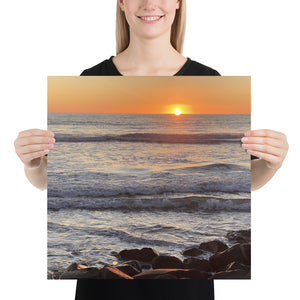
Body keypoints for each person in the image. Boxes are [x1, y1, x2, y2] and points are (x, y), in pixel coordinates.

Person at [14, 0, 289, 299]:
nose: (149, 3)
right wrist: (32, 163)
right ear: (121, 2)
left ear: (178, 3)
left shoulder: (209, 80)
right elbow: (48, 182)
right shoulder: (90, 79)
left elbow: (244, 181)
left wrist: (272, 163)